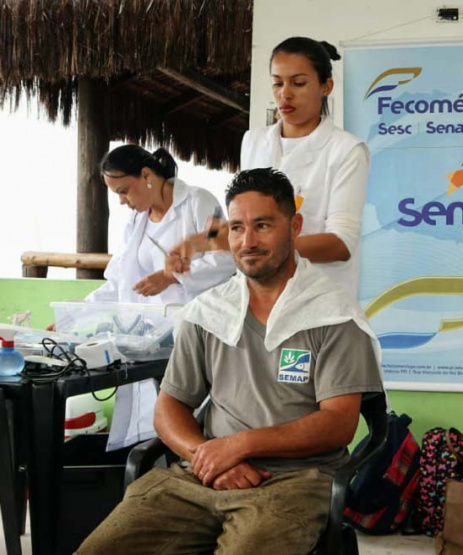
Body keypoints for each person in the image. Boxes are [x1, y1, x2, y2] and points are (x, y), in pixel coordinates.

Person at [76, 168, 385, 555]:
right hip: (202, 475)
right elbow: (170, 406)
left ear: (294, 227)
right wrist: (208, 458)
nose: (248, 241)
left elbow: (338, 423)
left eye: (263, 225)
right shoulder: (209, 311)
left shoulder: (332, 315)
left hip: (295, 481)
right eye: (237, 228)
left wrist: (238, 445)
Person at [171, 37, 369, 300]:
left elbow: (340, 244)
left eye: (299, 83)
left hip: (317, 297)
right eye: (277, 83)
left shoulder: (346, 150)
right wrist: (203, 241)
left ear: (326, 86)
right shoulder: (253, 141)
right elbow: (249, 216)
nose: (285, 94)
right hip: (256, 296)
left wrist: (249, 243)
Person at [88, 145, 236, 450]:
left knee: (195, 419)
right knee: (161, 423)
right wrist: (78, 313)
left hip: (196, 330)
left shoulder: (197, 201)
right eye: (117, 194)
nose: (122, 201)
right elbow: (120, 280)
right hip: (152, 338)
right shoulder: (136, 221)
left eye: (124, 191)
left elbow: (227, 257)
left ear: (146, 175)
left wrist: (172, 277)